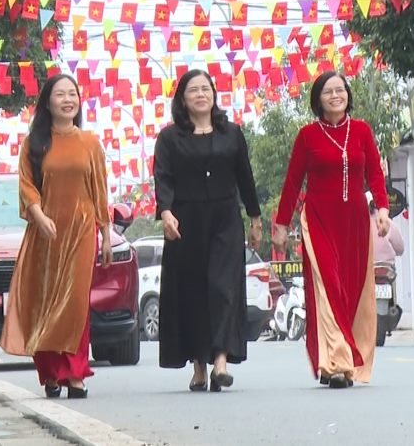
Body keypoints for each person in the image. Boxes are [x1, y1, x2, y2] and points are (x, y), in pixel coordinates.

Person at [272, 71, 390, 389]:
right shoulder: (307, 137)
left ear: (348, 95)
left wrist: (382, 209)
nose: (336, 96)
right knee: (328, 288)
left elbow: (375, 175)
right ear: (318, 99)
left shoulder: (362, 131)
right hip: (319, 219)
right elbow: (293, 183)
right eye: (328, 91)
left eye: (340, 90)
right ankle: (338, 363)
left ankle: (332, 360)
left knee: (351, 290)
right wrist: (281, 224)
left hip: (354, 223)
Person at [0, 75, 112, 399]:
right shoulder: (33, 144)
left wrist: (105, 234)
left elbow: (100, 191)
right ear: (47, 102)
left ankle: (76, 374)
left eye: (72, 94)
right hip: (45, 233)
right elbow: (25, 185)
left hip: (81, 232)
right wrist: (39, 215)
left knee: (76, 303)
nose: (67, 99)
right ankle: (51, 373)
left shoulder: (90, 143)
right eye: (60, 94)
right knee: (46, 302)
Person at [153, 69, 262, 392]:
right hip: (186, 222)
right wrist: (166, 212)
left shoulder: (232, 133)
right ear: (182, 99)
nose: (201, 94)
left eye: (206, 89)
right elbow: (163, 178)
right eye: (193, 90)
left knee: (224, 288)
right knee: (194, 291)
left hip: (225, 219)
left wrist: (255, 219)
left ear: (214, 95)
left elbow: (245, 177)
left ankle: (220, 362)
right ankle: (199, 365)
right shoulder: (170, 138)